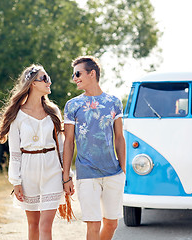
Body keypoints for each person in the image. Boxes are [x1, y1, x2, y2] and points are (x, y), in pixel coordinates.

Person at [0, 64, 65, 240]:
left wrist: (67, 175)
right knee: (33, 226)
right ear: (32, 83)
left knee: (45, 226)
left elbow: (61, 147)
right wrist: (16, 182)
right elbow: (15, 153)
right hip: (28, 171)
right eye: (45, 78)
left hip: (52, 170)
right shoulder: (17, 115)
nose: (49, 82)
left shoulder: (53, 111)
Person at [62, 56, 126, 240]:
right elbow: (68, 142)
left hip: (113, 172)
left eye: (78, 73)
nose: (74, 78)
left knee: (112, 223)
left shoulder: (113, 102)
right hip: (87, 172)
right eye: (73, 75)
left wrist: (123, 169)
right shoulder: (73, 105)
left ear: (92, 74)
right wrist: (66, 177)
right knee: (93, 224)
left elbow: (119, 137)